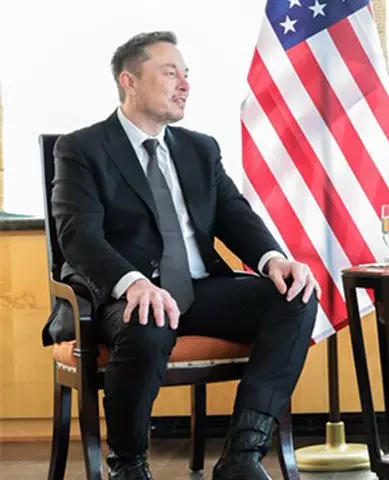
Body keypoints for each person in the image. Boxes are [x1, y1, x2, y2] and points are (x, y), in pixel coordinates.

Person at [46, 31, 320, 480]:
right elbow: (79, 236)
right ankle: (129, 464)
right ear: (129, 80)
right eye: (170, 73)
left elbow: (234, 213)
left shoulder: (200, 148)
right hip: (123, 294)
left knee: (296, 297)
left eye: (186, 74)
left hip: (200, 289)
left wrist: (273, 259)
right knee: (149, 322)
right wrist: (134, 283)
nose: (185, 84)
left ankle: (242, 456)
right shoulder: (82, 149)